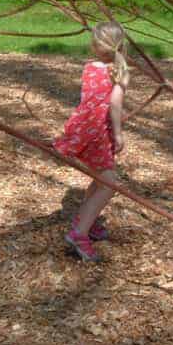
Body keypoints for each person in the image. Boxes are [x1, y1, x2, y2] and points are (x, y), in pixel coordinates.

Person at [53, 21, 130, 262]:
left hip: (83, 128)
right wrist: (118, 134)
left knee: (100, 178)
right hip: (98, 133)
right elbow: (114, 104)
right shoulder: (118, 71)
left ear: (95, 45)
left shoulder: (89, 67)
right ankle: (79, 233)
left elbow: (94, 99)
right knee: (109, 183)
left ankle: (88, 219)